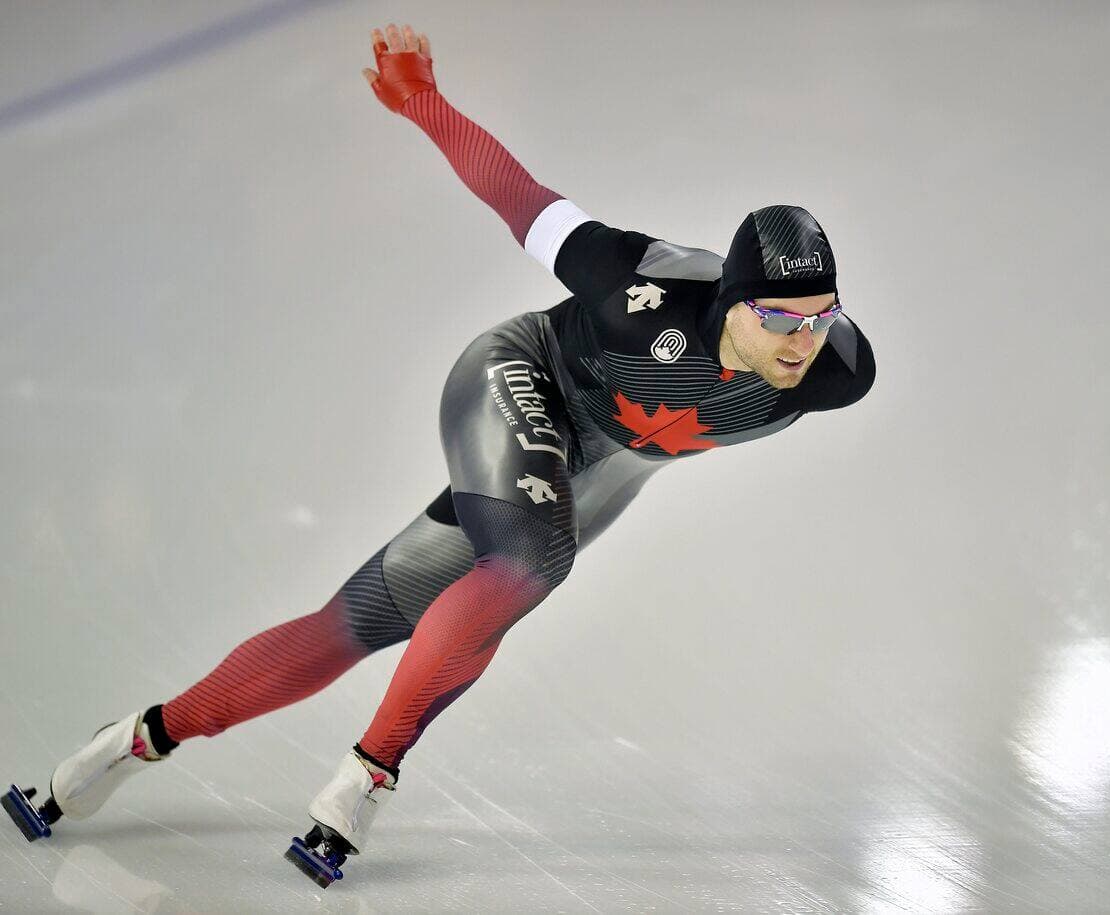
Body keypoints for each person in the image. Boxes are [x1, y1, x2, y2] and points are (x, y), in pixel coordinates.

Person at [4, 22, 875, 883]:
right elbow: (520, 197)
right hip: (521, 374)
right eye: (779, 317)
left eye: (820, 316)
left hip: (602, 468)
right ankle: (369, 773)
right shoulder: (635, 286)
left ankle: (135, 737)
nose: (801, 341)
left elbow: (813, 351)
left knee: (356, 624)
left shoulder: (837, 371)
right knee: (533, 557)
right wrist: (423, 100)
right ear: (730, 301)